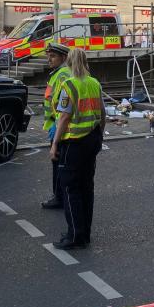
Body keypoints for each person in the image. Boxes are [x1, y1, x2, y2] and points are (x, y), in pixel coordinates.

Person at [50, 48, 106, 249]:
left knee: (70, 189)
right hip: (91, 140)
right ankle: (84, 233)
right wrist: (99, 134)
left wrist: (55, 143)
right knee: (86, 188)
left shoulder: (69, 85)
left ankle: (74, 234)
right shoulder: (94, 83)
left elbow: (64, 117)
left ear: (70, 63)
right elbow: (102, 113)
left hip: (73, 142)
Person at [40, 43, 71, 210]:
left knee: (58, 164)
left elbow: (62, 104)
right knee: (57, 164)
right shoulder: (57, 74)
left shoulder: (62, 75)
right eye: (48, 56)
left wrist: (57, 131)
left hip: (58, 127)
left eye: (53, 56)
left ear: (64, 58)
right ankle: (59, 195)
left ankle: (59, 197)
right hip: (55, 125)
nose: (49, 59)